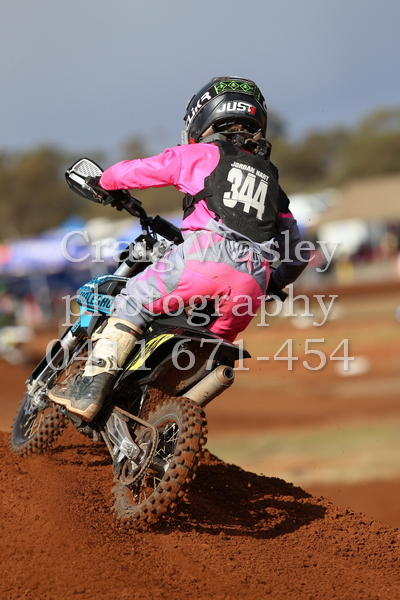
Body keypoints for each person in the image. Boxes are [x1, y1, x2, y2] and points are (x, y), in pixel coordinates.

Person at [49, 76, 310, 421]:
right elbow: (298, 251)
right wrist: (274, 281)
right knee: (207, 349)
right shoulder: (272, 182)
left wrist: (105, 181)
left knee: (132, 303)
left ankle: (90, 389)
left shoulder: (202, 154)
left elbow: (142, 170)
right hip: (252, 283)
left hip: (203, 258)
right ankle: (161, 413)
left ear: (201, 120)